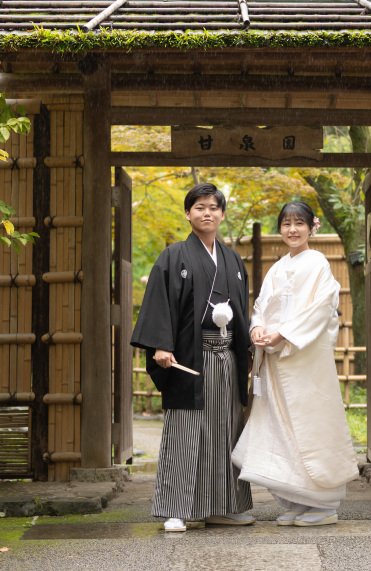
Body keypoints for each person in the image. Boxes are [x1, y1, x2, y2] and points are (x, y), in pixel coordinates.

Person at [130, 183, 253, 532]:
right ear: (188, 213)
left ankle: (222, 506)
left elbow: (241, 311)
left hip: (226, 357)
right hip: (189, 357)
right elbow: (159, 304)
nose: (207, 213)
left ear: (222, 214)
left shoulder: (232, 259)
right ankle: (175, 508)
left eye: (214, 207)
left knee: (225, 430)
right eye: (199, 207)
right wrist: (161, 345)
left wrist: (246, 349)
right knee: (185, 429)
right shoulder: (174, 256)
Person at [232, 201, 359, 526]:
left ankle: (324, 505)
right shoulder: (277, 267)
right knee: (277, 427)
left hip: (304, 362)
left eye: (298, 223)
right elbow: (261, 305)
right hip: (275, 361)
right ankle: (295, 500)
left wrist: (283, 334)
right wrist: (258, 327)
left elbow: (318, 309)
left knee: (309, 426)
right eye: (286, 223)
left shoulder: (317, 263)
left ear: (311, 226)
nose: (292, 229)